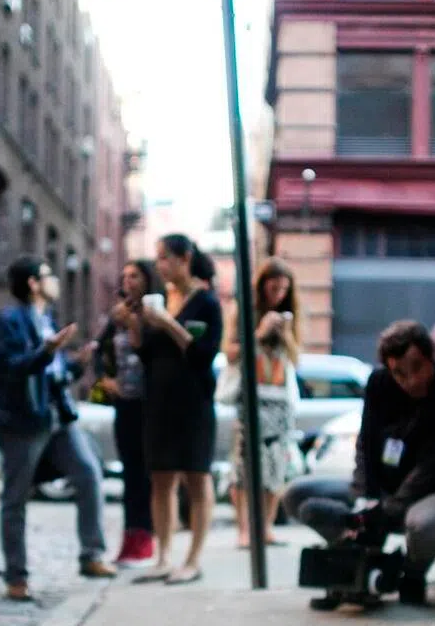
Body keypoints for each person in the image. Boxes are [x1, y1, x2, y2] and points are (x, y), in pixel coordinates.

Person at [283, 319, 435, 608]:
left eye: (417, 368)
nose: (410, 380)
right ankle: (356, 562)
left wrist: (387, 510)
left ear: (431, 356)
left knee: (431, 523)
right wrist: (365, 498)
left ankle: (412, 573)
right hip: (381, 493)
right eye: (399, 373)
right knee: (297, 494)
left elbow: (434, 464)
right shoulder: (379, 384)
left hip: (426, 495)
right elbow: (366, 444)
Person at [0, 256, 115, 601]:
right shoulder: (9, 320)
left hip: (56, 417)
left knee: (89, 474)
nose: (55, 280)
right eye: (48, 275)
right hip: (22, 421)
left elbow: (52, 377)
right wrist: (47, 351)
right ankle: (16, 577)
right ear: (33, 283)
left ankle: (92, 555)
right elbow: (11, 368)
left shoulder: (46, 319)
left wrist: (76, 365)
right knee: (16, 497)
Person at [130, 234, 223, 584]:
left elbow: (202, 355)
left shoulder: (207, 302)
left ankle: (193, 560)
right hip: (158, 401)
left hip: (194, 402)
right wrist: (135, 326)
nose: (159, 265)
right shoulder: (162, 299)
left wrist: (168, 323)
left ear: (185, 258)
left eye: (164, 258)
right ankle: (164, 556)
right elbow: (147, 355)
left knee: (197, 478)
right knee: (161, 479)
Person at [224, 257, 300, 548]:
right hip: (251, 400)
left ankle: (266, 528)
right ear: (261, 286)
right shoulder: (244, 312)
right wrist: (259, 333)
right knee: (245, 467)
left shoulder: (288, 315)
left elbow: (295, 359)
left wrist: (285, 334)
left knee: (275, 467)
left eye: (283, 290)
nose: (278, 295)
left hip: (278, 400)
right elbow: (230, 353)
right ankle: (244, 530)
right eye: (273, 288)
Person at [96, 259, 158, 567]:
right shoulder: (117, 315)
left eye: (134, 275)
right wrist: (106, 382)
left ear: (148, 279)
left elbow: (149, 350)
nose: (128, 280)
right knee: (130, 473)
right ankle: (130, 539)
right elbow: (100, 352)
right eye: (124, 275)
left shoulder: (153, 311)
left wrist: (134, 322)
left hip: (151, 405)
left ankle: (147, 539)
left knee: (148, 475)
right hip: (125, 405)